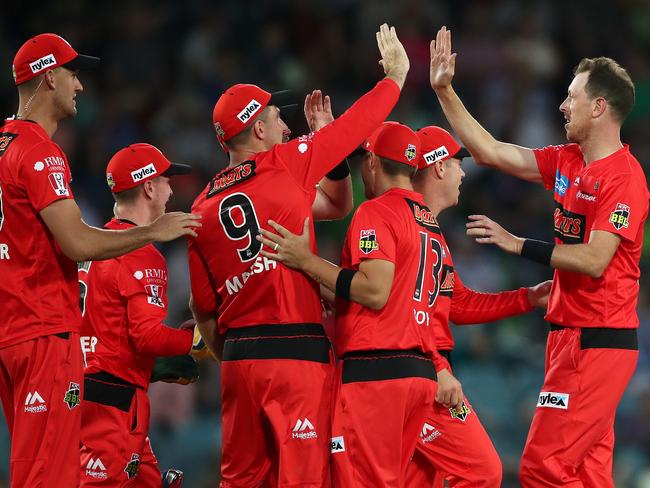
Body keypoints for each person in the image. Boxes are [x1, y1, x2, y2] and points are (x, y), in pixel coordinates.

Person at [188, 24, 410, 488]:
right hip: (296, 355)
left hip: (237, 361)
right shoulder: (283, 163)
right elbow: (359, 126)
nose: (287, 126)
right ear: (259, 128)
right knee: (304, 479)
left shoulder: (202, 205)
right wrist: (395, 77)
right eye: (276, 116)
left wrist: (233, 357)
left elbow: (203, 310)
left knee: (242, 481)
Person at [429, 26, 649, 487]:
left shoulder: (624, 179)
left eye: (572, 96)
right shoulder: (567, 160)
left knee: (541, 466)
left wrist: (517, 245)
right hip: (567, 337)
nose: (563, 105)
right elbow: (490, 152)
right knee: (586, 475)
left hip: (599, 340)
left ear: (599, 107)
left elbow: (594, 260)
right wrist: (445, 90)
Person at [0, 33, 199, 487]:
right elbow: (78, 244)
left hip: (11, 334)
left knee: (35, 467)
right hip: (44, 333)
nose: (80, 85)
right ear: (49, 76)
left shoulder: (2, 146)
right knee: (48, 477)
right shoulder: (38, 152)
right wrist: (152, 232)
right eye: (73, 74)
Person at [257, 121, 462, 487]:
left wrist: (306, 261)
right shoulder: (427, 222)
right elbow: (373, 294)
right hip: (415, 374)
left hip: (376, 373)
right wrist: (314, 280)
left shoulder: (377, 211)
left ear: (371, 161)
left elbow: (373, 290)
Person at [406, 126, 552, 487]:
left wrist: (528, 297)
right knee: (482, 470)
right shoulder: (408, 224)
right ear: (439, 167)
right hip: (420, 374)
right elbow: (403, 310)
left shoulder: (428, 227)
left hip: (421, 370)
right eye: (458, 163)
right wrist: (437, 367)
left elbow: (457, 303)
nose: (463, 172)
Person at [78, 143, 201, 487]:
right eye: (166, 180)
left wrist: (151, 366)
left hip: (84, 392)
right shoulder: (142, 254)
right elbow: (147, 336)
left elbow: (109, 330)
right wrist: (196, 339)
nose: (171, 189)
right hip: (113, 406)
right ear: (148, 187)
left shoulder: (94, 243)